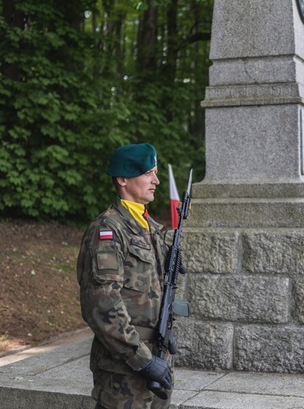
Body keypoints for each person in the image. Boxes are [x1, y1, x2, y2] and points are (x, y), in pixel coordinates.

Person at [77, 143, 174, 409]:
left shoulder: (151, 229)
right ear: (122, 179)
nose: (156, 180)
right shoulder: (108, 230)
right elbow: (101, 304)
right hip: (124, 369)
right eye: (147, 173)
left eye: (155, 172)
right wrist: (142, 358)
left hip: (158, 359)